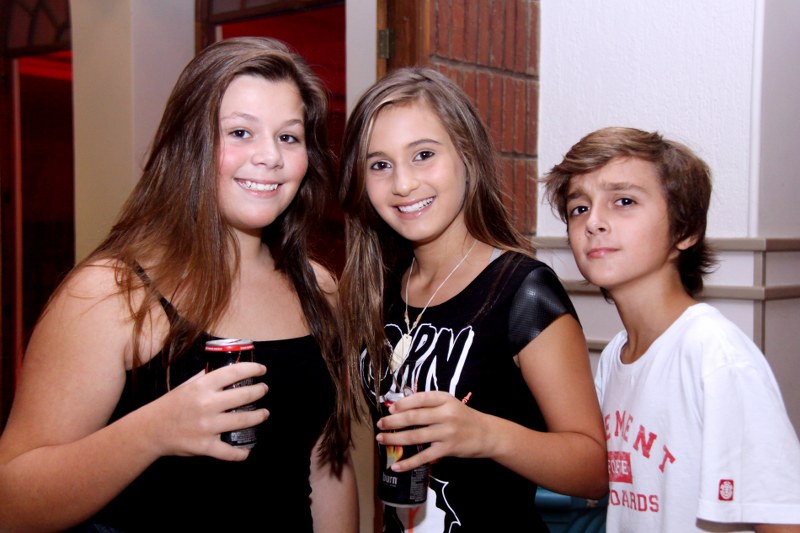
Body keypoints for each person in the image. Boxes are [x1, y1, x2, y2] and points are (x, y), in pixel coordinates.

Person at [0, 37, 357, 532]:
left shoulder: (319, 290)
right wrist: (151, 432)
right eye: (240, 132)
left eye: (289, 137)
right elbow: (12, 503)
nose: (270, 156)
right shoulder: (112, 293)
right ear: (190, 144)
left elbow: (324, 464)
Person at [337, 66, 608, 532]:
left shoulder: (523, 291)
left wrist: (485, 434)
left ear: (468, 157)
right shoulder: (376, 290)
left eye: (423, 155)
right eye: (379, 164)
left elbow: (593, 470)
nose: (403, 183)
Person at [541, 126, 800, 532]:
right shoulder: (616, 356)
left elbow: (783, 520)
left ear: (685, 230)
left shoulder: (713, 353)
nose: (594, 222)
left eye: (624, 201)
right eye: (579, 208)